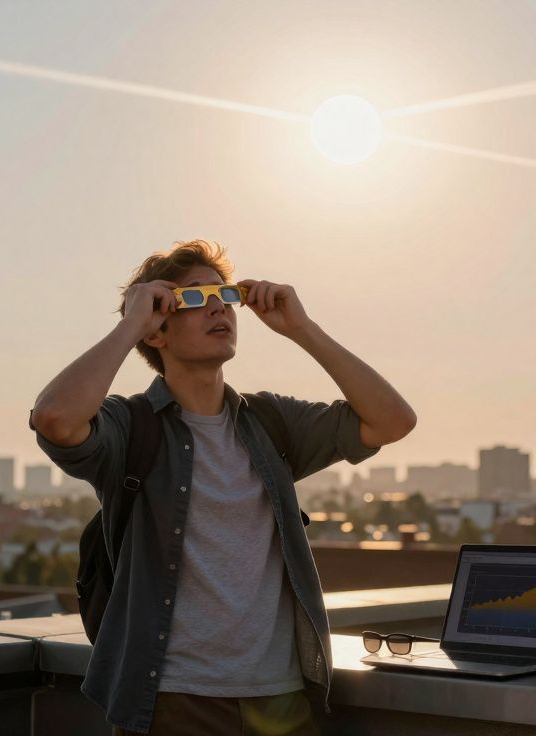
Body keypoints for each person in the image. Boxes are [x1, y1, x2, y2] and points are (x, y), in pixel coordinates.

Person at [29, 240, 416, 735]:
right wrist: (129, 327)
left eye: (225, 295)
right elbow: (55, 418)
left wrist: (302, 329)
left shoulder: (270, 422)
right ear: (159, 332)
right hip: (170, 701)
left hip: (280, 698)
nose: (218, 307)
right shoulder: (131, 428)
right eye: (194, 298)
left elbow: (394, 420)